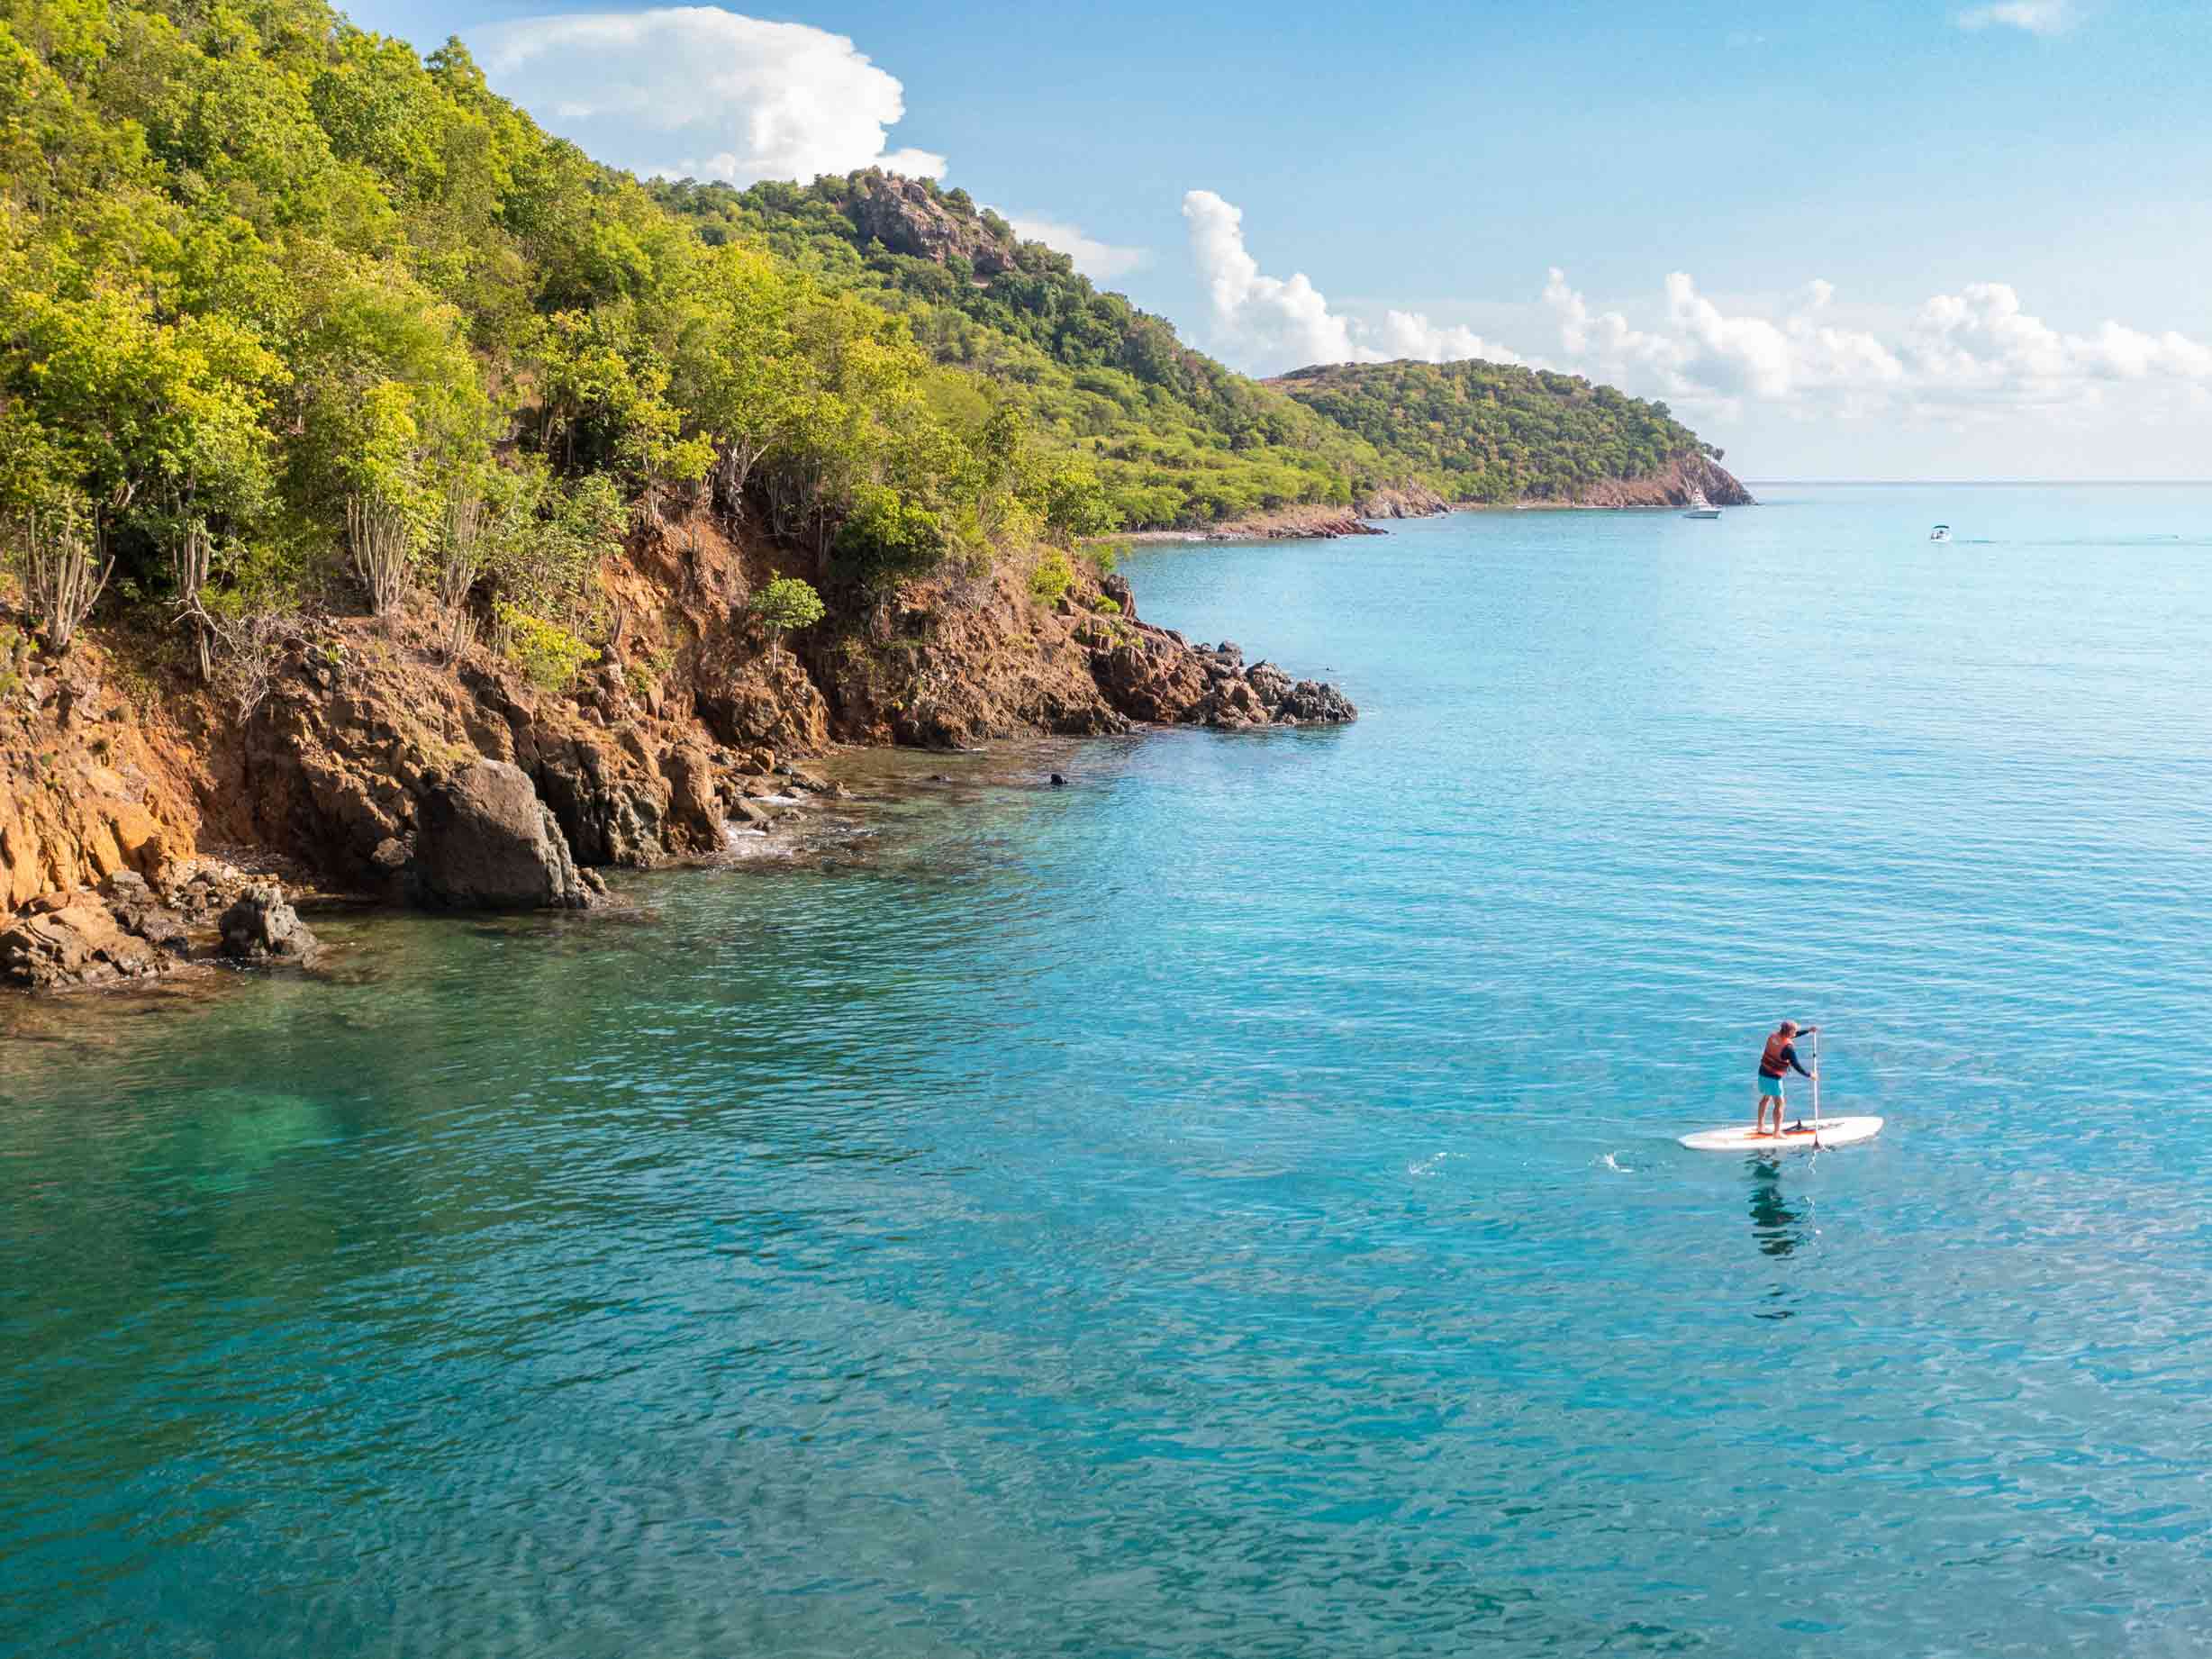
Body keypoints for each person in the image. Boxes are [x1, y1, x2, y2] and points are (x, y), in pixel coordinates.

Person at [1754, 1020, 1818, 1137]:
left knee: (1765, 1098)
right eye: (1794, 1030)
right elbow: (1796, 1066)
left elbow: (1792, 1036)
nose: (1795, 1033)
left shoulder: (1773, 1036)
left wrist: (1808, 1031)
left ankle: (1760, 1126)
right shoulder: (1788, 1049)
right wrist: (1810, 1075)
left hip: (1762, 1072)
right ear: (1789, 1032)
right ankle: (1777, 1132)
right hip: (1773, 1077)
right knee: (1780, 1103)